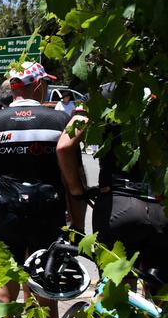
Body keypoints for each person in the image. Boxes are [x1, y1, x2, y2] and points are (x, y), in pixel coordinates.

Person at [0, 62, 79, 318]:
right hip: (48, 213)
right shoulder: (60, 121)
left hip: (7, 213)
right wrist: (77, 223)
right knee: (44, 293)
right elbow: (72, 176)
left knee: (3, 288)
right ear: (39, 85)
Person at [57, 84, 168, 283]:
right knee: (161, 294)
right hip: (161, 204)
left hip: (117, 202)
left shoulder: (101, 93)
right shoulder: (162, 85)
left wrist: (77, 190)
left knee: (116, 293)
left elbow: (64, 146)